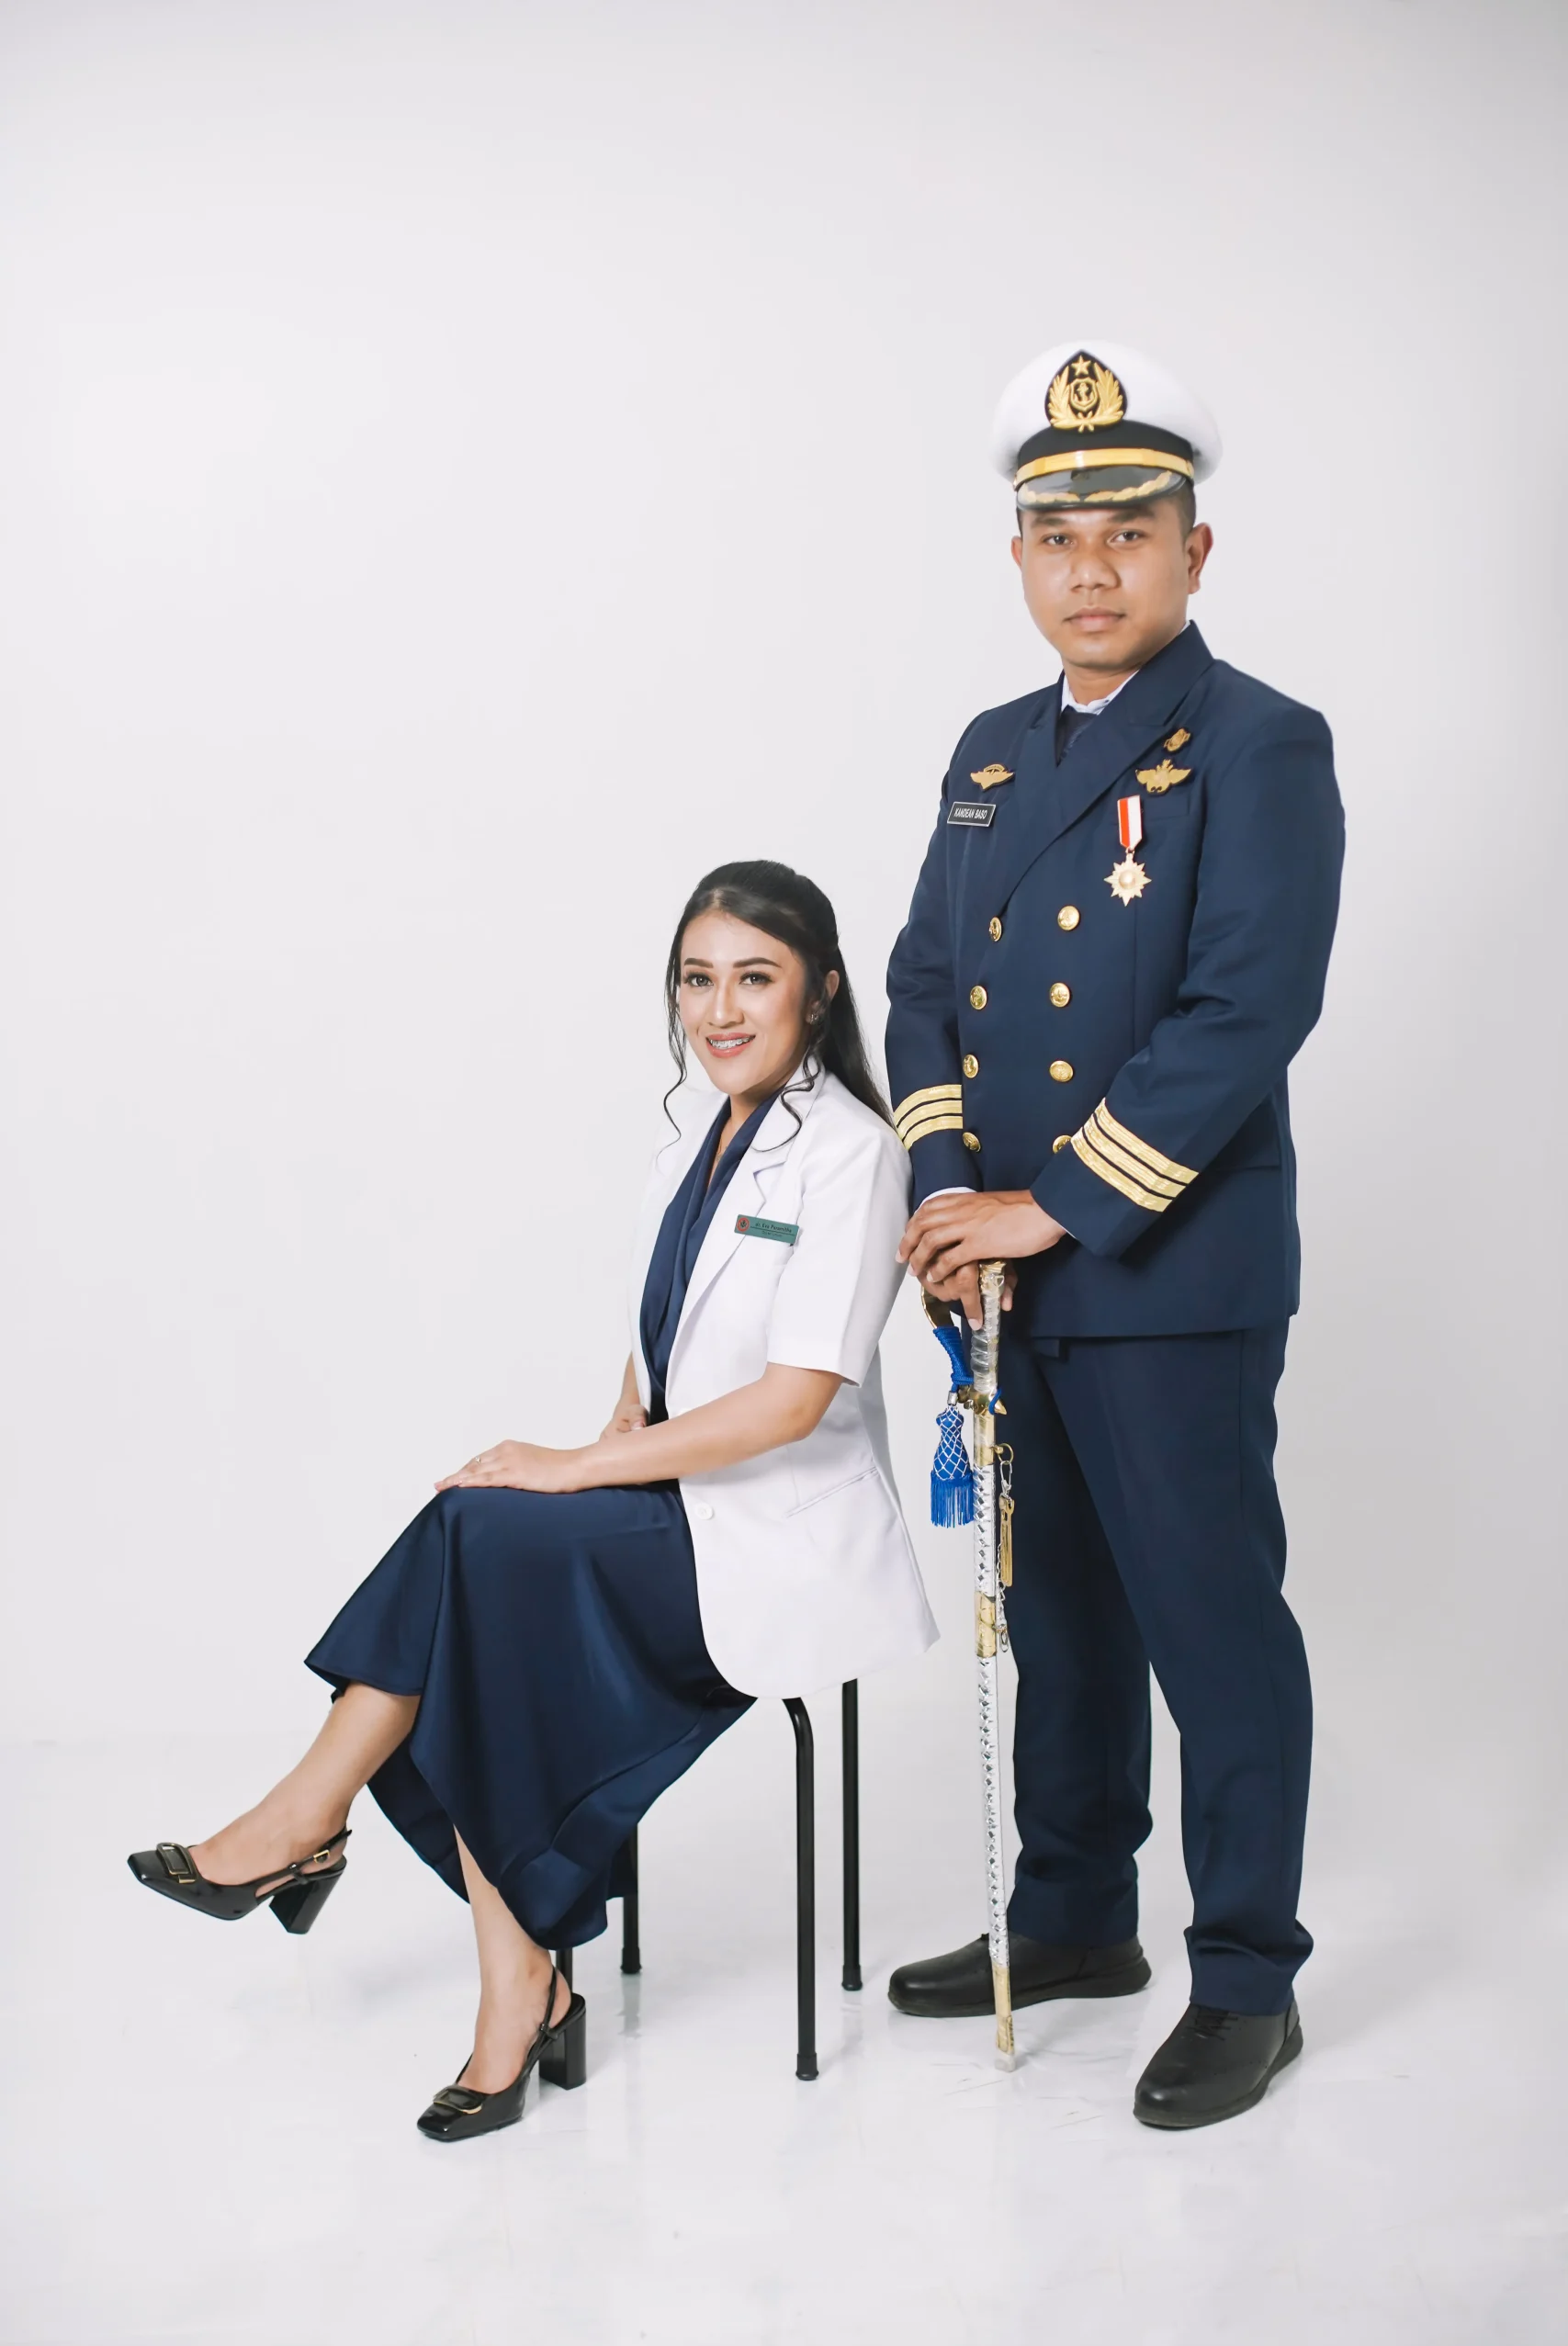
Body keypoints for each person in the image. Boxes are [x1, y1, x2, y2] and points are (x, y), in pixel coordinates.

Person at [130, 860, 936, 2141]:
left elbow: (790, 1404)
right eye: (696, 980)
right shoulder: (698, 1134)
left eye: (754, 978)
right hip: (679, 1503)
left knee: (480, 1551)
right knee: (481, 1562)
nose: (719, 1010)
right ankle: (494, 1967)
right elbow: (665, 1343)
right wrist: (610, 1434)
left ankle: (323, 1836)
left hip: (781, 1532)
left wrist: (572, 1468)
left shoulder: (853, 1152)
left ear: (821, 991)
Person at [884, 340, 1345, 2129]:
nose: (1091, 568)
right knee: (1059, 1618)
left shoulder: (1257, 742)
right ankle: (1075, 1919)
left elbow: (1245, 1012)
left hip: (1167, 1274)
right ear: (1017, 556)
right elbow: (923, 985)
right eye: (1057, 536)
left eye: (1129, 532)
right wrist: (949, 1198)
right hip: (1004, 1283)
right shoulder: (990, 754)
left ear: (1193, 551)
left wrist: (1049, 1205)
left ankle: (1245, 1976)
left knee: (1209, 1626)